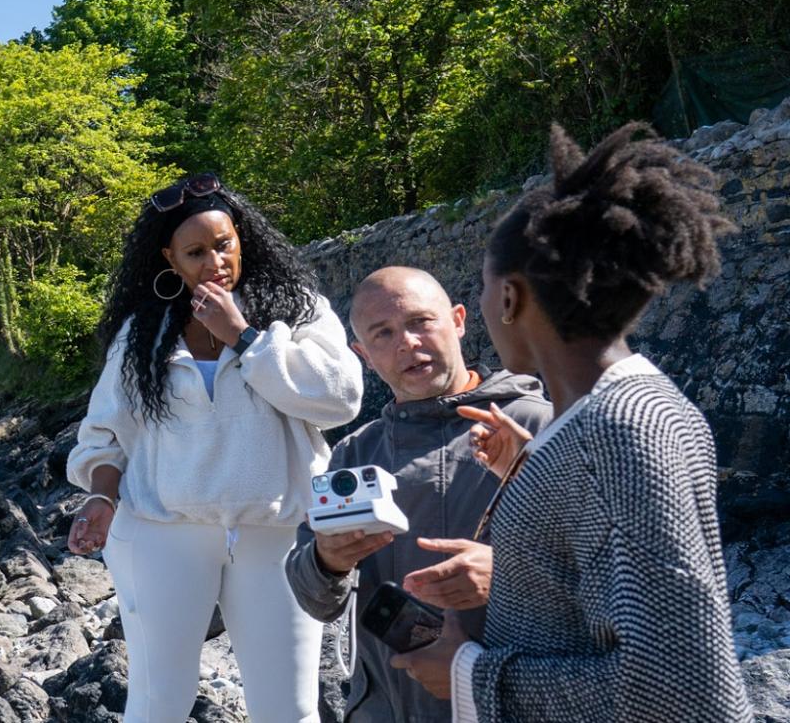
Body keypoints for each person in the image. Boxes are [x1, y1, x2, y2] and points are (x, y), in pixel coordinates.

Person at [386, 123, 754, 721]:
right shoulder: (613, 420)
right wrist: (534, 471)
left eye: (483, 290)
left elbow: (680, 688)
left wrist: (468, 674)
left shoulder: (620, 432)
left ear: (509, 299)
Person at [65, 173, 365, 723]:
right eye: (195, 252)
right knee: (158, 705)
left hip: (277, 533)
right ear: (169, 259)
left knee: (290, 710)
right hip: (161, 534)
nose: (215, 262)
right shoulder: (142, 334)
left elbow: (341, 399)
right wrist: (101, 499)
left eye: (224, 245)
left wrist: (245, 337)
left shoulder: (298, 309)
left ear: (242, 238)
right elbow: (103, 436)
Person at [283, 267, 552, 722]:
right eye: (383, 334)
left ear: (459, 320)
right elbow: (313, 599)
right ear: (363, 355)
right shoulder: (354, 453)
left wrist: (506, 575)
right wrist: (327, 560)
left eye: (420, 322)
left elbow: (604, 577)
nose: (407, 343)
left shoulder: (538, 426)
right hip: (386, 709)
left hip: (510, 704)